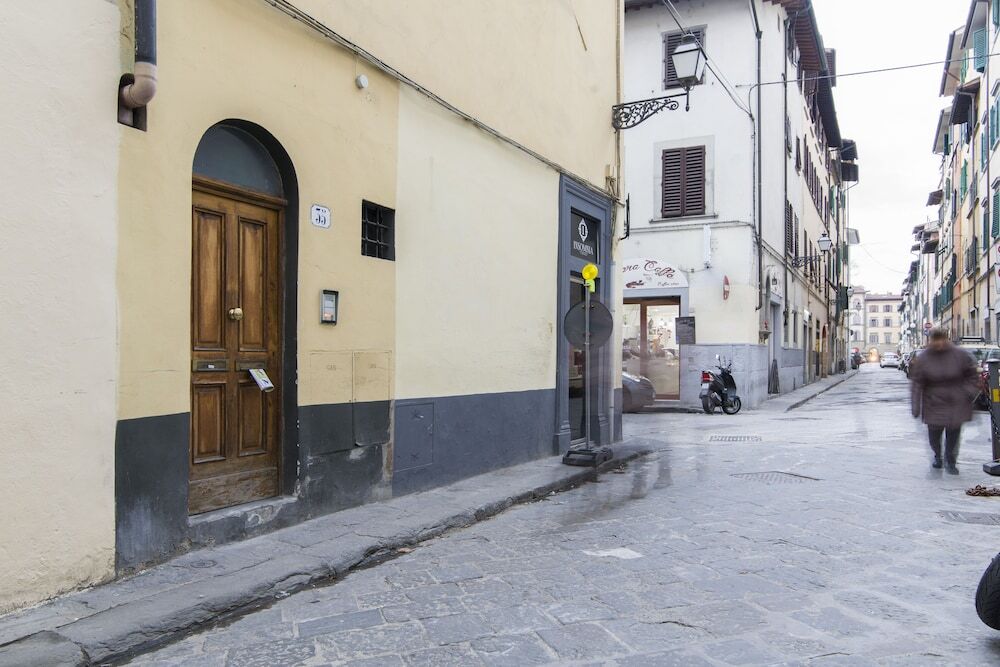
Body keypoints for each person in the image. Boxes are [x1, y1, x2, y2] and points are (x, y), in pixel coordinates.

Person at [909, 329, 979, 474]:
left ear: (946, 340)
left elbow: (972, 375)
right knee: (934, 434)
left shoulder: (959, 355)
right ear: (931, 341)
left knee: (953, 433)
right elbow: (917, 383)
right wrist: (915, 405)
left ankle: (950, 461)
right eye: (936, 340)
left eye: (941, 340)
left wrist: (968, 391)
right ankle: (938, 456)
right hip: (933, 401)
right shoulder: (924, 358)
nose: (939, 343)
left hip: (956, 400)